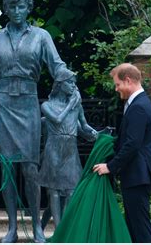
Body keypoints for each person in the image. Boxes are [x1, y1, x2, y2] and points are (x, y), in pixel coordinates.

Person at [0, 0, 73, 242]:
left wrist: (69, 82)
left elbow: (56, 66)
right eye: (12, 6)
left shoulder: (41, 36)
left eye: (21, 6)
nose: (17, 11)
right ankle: (12, 228)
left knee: (29, 168)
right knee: (6, 169)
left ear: (29, 8)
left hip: (27, 103)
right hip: (2, 105)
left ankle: (37, 227)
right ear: (5, 8)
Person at [93, 63, 151, 243]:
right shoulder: (137, 103)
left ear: (128, 81)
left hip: (139, 175)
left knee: (140, 227)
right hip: (136, 175)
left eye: (117, 84)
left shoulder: (138, 106)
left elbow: (132, 144)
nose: (116, 89)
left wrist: (110, 166)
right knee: (133, 225)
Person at [37, 69, 98, 228]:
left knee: (71, 190)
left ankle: (67, 227)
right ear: (59, 84)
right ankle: (58, 230)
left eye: (74, 83)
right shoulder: (47, 105)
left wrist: (95, 134)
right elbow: (57, 120)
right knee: (54, 192)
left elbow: (84, 126)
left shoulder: (76, 107)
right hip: (54, 148)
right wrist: (71, 105)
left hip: (70, 149)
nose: (73, 86)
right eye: (69, 82)